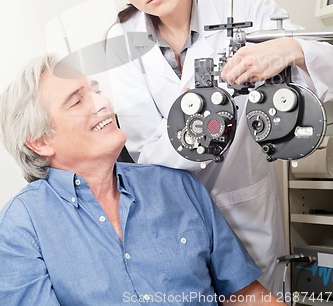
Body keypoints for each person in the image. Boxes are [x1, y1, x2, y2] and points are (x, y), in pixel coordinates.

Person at [93, 0, 333, 294]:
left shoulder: (248, 10)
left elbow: (327, 73)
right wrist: (204, 122)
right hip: (174, 217)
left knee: (258, 297)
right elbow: (143, 148)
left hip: (246, 205)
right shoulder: (121, 42)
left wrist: (290, 49)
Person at [0, 55, 283, 306]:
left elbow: (245, 295)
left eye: (96, 90)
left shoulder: (176, 185)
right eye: (77, 100)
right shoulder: (21, 227)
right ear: (39, 142)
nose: (102, 104)